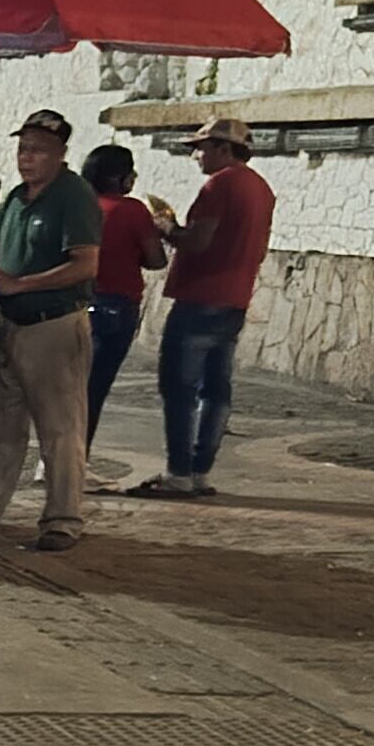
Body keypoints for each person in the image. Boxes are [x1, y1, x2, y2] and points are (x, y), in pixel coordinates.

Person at [0, 108, 103, 552]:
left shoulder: (73, 196)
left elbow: (85, 264)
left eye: (38, 150)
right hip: (9, 324)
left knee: (59, 429)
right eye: (23, 149)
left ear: (60, 153)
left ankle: (62, 521)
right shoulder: (14, 198)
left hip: (53, 325)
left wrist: (22, 284)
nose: (26, 158)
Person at [132, 114, 272, 502]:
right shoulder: (261, 188)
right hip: (235, 298)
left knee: (179, 387)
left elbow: (198, 241)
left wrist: (167, 228)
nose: (196, 156)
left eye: (201, 148)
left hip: (200, 298)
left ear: (224, 149)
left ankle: (178, 473)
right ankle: (199, 470)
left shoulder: (219, 185)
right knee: (216, 389)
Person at [81, 142, 171, 451]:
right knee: (94, 390)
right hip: (115, 307)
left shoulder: (82, 206)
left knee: (70, 387)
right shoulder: (132, 210)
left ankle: (54, 456)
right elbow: (156, 260)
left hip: (76, 304)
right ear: (118, 177)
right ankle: (74, 459)